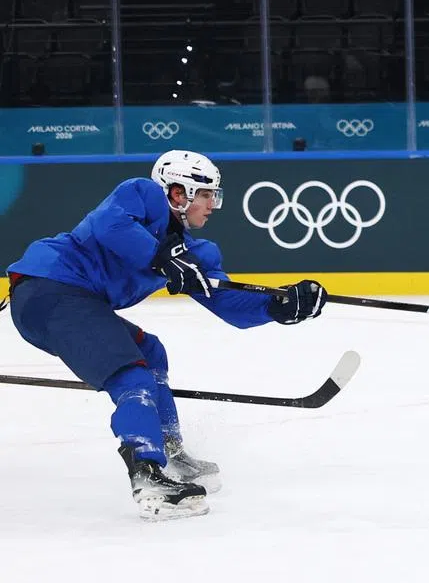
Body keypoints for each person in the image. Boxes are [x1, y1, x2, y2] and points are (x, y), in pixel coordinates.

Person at [4, 150, 328, 521]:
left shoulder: (193, 252)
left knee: (150, 352)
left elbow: (225, 300)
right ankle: (148, 474)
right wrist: (162, 257)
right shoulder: (141, 195)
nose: (212, 205)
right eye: (207, 195)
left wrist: (279, 306)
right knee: (133, 374)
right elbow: (111, 225)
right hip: (49, 290)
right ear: (178, 193)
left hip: (69, 301)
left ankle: (171, 452)